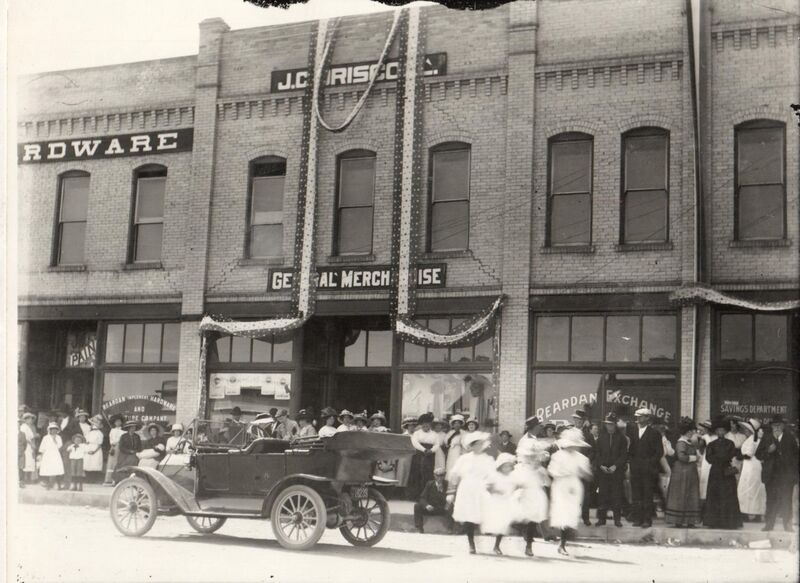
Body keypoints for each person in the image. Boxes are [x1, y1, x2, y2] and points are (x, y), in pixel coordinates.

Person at [446, 431, 495, 554]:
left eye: (481, 444)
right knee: (469, 515)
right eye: (476, 444)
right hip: (467, 489)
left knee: (483, 514)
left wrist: (491, 487)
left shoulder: (488, 459)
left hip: (481, 488)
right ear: (471, 446)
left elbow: (492, 475)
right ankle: (471, 543)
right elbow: (454, 474)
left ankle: (491, 542)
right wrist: (451, 492)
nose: (479, 446)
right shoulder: (464, 459)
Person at [548, 427, 592, 556]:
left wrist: (583, 472)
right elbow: (551, 471)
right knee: (563, 514)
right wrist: (563, 474)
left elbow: (589, 476)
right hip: (561, 486)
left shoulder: (582, 458)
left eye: (576, 445)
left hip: (574, 487)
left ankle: (564, 541)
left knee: (571, 514)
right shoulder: (558, 456)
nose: (574, 447)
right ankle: (562, 544)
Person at [755, 414, 798, 532]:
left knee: (786, 500)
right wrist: (768, 451)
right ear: (772, 426)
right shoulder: (767, 438)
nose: (777, 427)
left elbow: (796, 457)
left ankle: (787, 525)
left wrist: (794, 474)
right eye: (775, 425)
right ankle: (769, 525)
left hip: (786, 476)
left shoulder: (790, 438)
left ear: (783, 426)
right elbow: (758, 454)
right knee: (771, 500)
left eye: (779, 425)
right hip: (771, 476)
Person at [511, 437, 550, 556]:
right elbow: (514, 482)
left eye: (533, 457)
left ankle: (529, 546)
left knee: (532, 521)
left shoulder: (540, 470)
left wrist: (542, 477)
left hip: (535, 496)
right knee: (520, 519)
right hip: (523, 496)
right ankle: (520, 529)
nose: (531, 459)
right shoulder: (520, 468)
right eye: (528, 457)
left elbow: (547, 483)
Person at [703, 417, 742, 529]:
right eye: (718, 430)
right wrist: (721, 458)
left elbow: (730, 455)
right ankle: (714, 522)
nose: (720, 432)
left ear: (726, 431)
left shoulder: (730, 443)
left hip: (726, 472)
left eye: (723, 430)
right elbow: (709, 458)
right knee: (715, 495)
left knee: (727, 495)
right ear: (715, 431)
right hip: (715, 472)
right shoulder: (711, 444)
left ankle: (728, 522)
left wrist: (719, 458)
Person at [627, 408, 663, 528]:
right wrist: (632, 463)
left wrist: (649, 463)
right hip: (636, 469)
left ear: (647, 418)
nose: (638, 418)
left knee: (647, 495)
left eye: (641, 416)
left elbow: (659, 452)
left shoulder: (655, 433)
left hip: (648, 470)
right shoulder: (632, 432)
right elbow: (630, 450)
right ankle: (637, 519)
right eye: (637, 416)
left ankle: (647, 519)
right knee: (636, 494)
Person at [664, 417, 701, 528]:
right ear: (687, 431)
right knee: (681, 494)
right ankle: (679, 520)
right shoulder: (681, 442)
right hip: (682, 472)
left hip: (688, 472)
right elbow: (681, 457)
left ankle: (689, 520)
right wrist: (695, 458)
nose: (692, 433)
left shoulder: (688, 442)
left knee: (689, 494)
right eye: (691, 431)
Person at [594, 413, 628, 527]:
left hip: (616, 472)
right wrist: (600, 465)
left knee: (616, 495)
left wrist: (615, 466)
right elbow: (597, 454)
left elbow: (624, 455)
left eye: (611, 424)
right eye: (607, 424)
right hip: (603, 472)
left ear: (615, 424)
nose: (609, 426)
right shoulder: (601, 438)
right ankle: (601, 519)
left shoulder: (621, 438)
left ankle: (617, 519)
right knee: (602, 495)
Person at [483, 452, 518, 556]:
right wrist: (496, 491)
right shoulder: (495, 476)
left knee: (502, 524)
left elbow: (514, 487)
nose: (508, 468)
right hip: (495, 501)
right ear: (500, 466)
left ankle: (497, 546)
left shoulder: (511, 477)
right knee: (493, 522)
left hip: (505, 502)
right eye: (505, 466)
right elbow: (487, 487)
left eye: (510, 466)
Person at [736, 419, 766, 521]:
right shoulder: (752, 438)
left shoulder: (754, 439)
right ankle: (753, 512)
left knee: (749, 488)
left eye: (746, 429)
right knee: (752, 488)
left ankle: (750, 513)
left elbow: (749, 454)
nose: (744, 430)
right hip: (751, 465)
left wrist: (739, 455)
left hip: (752, 465)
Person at [410, 413, 443, 499]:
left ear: (430, 424)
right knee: (417, 473)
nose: (425, 426)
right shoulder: (417, 433)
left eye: (427, 424)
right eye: (424, 424)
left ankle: (427, 495)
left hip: (430, 455)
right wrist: (423, 449)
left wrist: (431, 450)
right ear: (421, 424)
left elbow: (437, 444)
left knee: (428, 473)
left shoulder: (434, 434)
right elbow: (415, 443)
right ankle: (416, 495)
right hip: (419, 454)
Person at [573, 410, 596, 527]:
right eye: (576, 419)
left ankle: (585, 517)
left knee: (585, 494)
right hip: (572, 469)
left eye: (580, 420)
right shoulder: (569, 433)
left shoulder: (588, 435)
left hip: (584, 469)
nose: (578, 421)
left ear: (583, 421)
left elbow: (593, 451)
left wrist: (587, 461)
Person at [414, 467, 452, 534]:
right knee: (417, 506)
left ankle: (450, 528)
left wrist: (447, 503)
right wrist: (427, 505)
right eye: (437, 475)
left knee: (451, 506)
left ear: (444, 476)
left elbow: (451, 496)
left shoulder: (447, 484)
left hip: (442, 508)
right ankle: (419, 528)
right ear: (434, 476)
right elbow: (422, 497)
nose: (439, 478)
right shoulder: (430, 484)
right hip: (431, 508)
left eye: (441, 475)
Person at [39, 423, 65, 490]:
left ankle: (58, 485)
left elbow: (60, 446)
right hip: (47, 455)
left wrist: (54, 440)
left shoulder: (58, 437)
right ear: (50, 430)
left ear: (57, 430)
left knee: (57, 469)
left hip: (55, 454)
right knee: (48, 469)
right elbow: (42, 447)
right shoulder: (45, 437)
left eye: (55, 429)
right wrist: (41, 455)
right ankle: (48, 485)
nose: (54, 431)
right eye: (52, 429)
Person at [696, 420, 714, 507]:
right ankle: (703, 501)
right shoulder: (703, 438)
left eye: (704, 428)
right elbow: (701, 450)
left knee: (707, 480)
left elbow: (710, 446)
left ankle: (707, 501)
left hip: (709, 462)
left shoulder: (709, 438)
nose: (702, 430)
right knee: (703, 480)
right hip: (705, 461)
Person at [104, 415, 125, 485]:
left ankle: (117, 479)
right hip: (113, 447)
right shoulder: (112, 430)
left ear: (121, 422)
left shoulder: (123, 431)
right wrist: (113, 443)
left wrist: (117, 441)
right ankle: (109, 479)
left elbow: (122, 439)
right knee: (111, 462)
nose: (118, 423)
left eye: (119, 421)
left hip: (120, 447)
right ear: (114, 423)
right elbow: (111, 439)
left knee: (118, 462)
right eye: (116, 421)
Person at [83, 415, 105, 481]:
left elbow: (100, 444)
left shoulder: (100, 433)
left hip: (96, 449)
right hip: (89, 448)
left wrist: (94, 451)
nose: (93, 426)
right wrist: (86, 449)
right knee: (88, 463)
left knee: (95, 463)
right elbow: (86, 441)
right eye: (92, 425)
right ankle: (88, 478)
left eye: (95, 425)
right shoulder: (89, 433)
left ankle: (94, 479)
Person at [725, 417, 747, 481]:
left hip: (740, 460)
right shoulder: (726, 436)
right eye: (730, 424)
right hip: (731, 460)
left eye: (733, 424)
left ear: (737, 425)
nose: (732, 425)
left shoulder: (743, 436)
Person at [19, 411, 38, 485]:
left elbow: (31, 436)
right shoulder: (23, 427)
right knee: (26, 461)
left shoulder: (29, 427)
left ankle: (29, 478)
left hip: (30, 446)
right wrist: (31, 444)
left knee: (31, 461)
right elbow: (25, 438)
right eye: (29, 419)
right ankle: (24, 479)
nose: (31, 420)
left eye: (31, 419)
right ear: (26, 419)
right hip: (26, 446)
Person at [445, 414, 465, 478]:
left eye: (458, 423)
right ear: (453, 425)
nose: (457, 425)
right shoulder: (450, 432)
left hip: (459, 450)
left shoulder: (463, 432)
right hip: (452, 450)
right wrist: (450, 441)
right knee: (451, 464)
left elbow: (464, 442)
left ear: (461, 424)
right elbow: (446, 442)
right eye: (455, 423)